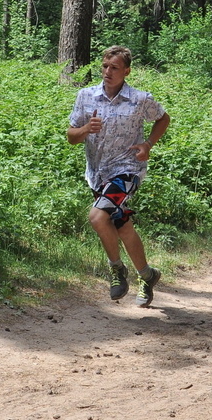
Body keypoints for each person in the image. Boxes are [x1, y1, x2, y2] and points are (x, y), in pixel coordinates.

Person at [67, 46, 170, 307]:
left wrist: (147, 144)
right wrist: (85, 129)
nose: (108, 72)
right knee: (121, 226)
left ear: (126, 71)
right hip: (97, 173)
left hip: (126, 170)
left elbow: (163, 119)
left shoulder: (139, 98)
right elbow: (71, 137)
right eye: (104, 66)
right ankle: (147, 275)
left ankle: (116, 270)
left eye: (114, 68)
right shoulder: (86, 96)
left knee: (97, 216)